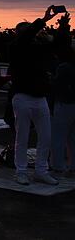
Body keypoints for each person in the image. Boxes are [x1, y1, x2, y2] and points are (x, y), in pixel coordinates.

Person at [9, 6, 67, 185]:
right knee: (23, 136)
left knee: (46, 136)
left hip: (39, 97)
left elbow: (57, 45)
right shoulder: (17, 47)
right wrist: (44, 19)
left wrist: (63, 26)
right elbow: (26, 37)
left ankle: (41, 170)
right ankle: (21, 171)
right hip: (22, 97)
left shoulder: (38, 48)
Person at [52, 13, 74, 176]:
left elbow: (56, 86)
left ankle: (58, 165)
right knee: (72, 137)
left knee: (59, 135)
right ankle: (72, 165)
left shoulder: (64, 67)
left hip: (65, 102)